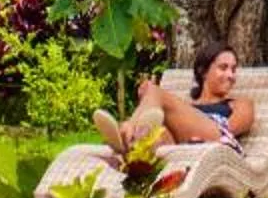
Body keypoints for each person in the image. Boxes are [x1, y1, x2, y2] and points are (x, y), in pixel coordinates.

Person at [97, 42, 256, 155]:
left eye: (233, 69)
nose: (231, 75)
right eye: (223, 68)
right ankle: (130, 142)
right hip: (179, 146)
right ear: (203, 71)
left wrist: (200, 141)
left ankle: (126, 131)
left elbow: (229, 131)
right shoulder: (186, 108)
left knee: (154, 92)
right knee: (159, 132)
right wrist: (145, 102)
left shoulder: (240, 103)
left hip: (216, 140)